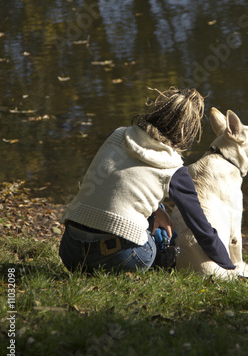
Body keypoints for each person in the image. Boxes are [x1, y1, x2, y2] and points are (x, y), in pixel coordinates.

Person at [59, 87, 235, 274]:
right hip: (120, 257)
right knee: (159, 236)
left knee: (158, 206)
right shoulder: (174, 169)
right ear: (187, 134)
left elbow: (120, 181)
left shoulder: (117, 135)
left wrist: (156, 210)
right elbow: (202, 229)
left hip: (70, 252)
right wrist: (229, 265)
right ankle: (162, 262)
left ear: (156, 112)